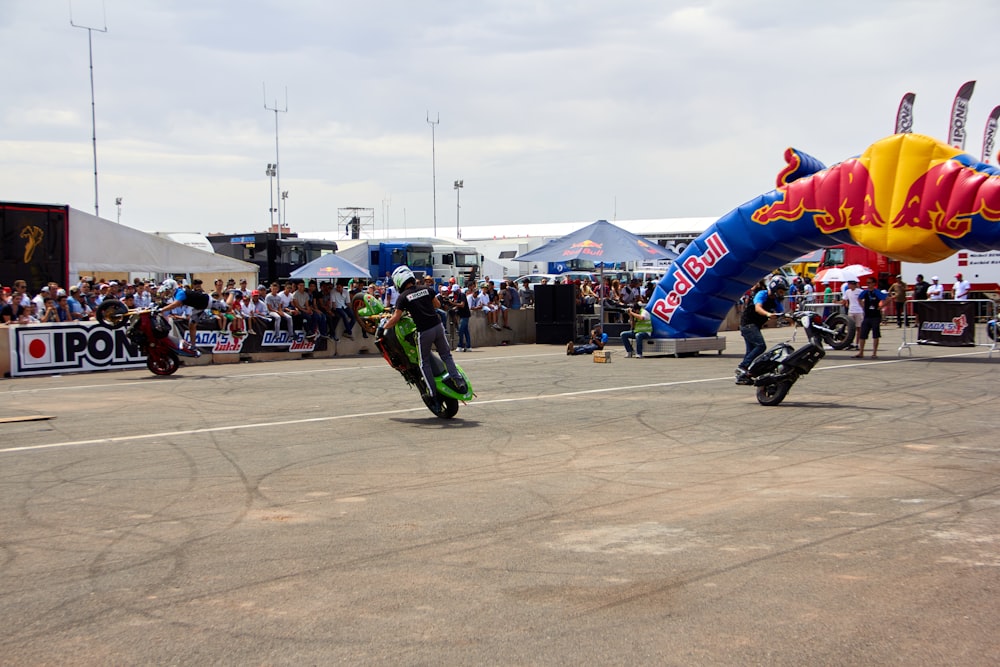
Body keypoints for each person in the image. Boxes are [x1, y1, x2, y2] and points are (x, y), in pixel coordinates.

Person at [383, 265, 466, 399]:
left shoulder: (403, 297)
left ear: (399, 281)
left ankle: (432, 393)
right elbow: (437, 305)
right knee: (446, 355)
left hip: (424, 331)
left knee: (424, 362)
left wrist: (385, 326)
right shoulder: (427, 289)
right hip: (438, 326)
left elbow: (396, 318)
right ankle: (458, 380)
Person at [735, 275, 787, 384]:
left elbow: (783, 314)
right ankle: (742, 367)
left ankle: (743, 376)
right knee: (761, 346)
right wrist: (768, 314)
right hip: (748, 324)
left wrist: (794, 318)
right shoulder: (762, 294)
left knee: (751, 352)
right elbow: (758, 308)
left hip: (755, 326)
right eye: (781, 291)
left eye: (783, 292)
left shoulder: (775, 302)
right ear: (774, 288)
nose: (782, 294)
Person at [855, 277, 887, 358]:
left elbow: (888, 298)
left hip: (875, 316)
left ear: (873, 283)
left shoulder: (877, 292)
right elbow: (859, 298)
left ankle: (874, 353)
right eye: (867, 283)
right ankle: (861, 352)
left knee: (875, 335)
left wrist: (881, 306)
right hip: (867, 316)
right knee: (863, 334)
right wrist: (862, 305)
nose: (868, 284)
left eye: (869, 283)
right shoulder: (865, 292)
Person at [842, 278, 864, 350]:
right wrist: (836, 302)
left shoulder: (860, 291)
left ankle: (857, 344)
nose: (848, 285)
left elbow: (864, 301)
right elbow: (844, 301)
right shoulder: (848, 292)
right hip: (851, 311)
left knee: (859, 328)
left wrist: (863, 308)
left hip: (859, 311)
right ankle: (850, 343)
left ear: (853, 284)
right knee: (850, 328)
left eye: (849, 284)